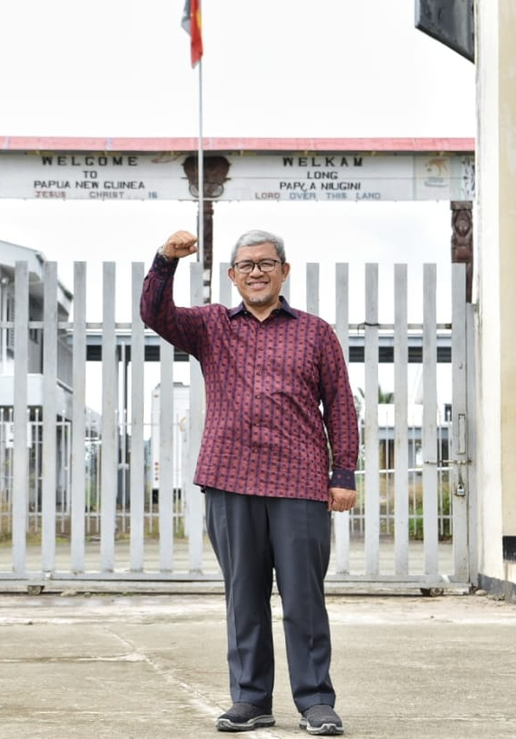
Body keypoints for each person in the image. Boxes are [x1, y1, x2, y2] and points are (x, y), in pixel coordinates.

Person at [140, 228, 358, 735]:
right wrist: (165, 260)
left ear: (284, 271)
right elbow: (155, 314)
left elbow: (341, 406)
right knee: (244, 595)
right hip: (229, 477)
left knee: (304, 596)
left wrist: (342, 472)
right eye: (246, 265)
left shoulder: (316, 332)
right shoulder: (212, 326)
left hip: (299, 482)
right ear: (232, 276)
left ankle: (315, 701)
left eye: (266, 263)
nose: (256, 272)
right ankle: (252, 699)